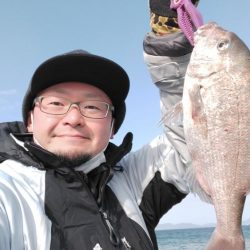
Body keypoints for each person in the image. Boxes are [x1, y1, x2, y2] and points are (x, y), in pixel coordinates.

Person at [0, 1, 199, 249]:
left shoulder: (132, 180)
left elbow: (197, 132)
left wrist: (168, 36)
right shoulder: (7, 189)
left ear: (112, 126)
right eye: (55, 103)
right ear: (30, 119)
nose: (73, 119)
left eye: (93, 107)